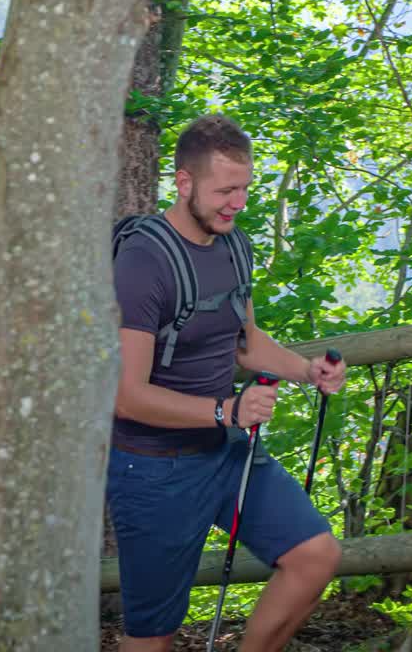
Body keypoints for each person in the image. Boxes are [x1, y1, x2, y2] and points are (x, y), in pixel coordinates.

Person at [108, 114, 347, 651]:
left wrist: (307, 371)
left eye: (244, 188)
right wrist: (227, 410)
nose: (237, 203)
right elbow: (126, 395)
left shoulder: (234, 245)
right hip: (152, 469)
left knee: (315, 556)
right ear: (185, 182)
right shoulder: (144, 262)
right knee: (153, 637)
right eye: (225, 190)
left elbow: (246, 343)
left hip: (225, 453)